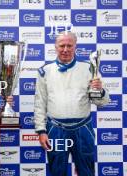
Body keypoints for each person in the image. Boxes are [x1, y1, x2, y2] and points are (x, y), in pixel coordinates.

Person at [34, 31, 110, 176]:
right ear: (55, 47)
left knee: (86, 171)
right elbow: (40, 103)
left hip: (83, 129)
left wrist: (99, 90)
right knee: (57, 171)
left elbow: (102, 102)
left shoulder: (89, 68)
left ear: (75, 47)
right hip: (56, 130)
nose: (65, 49)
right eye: (62, 45)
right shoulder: (45, 71)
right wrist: (41, 131)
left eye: (69, 45)